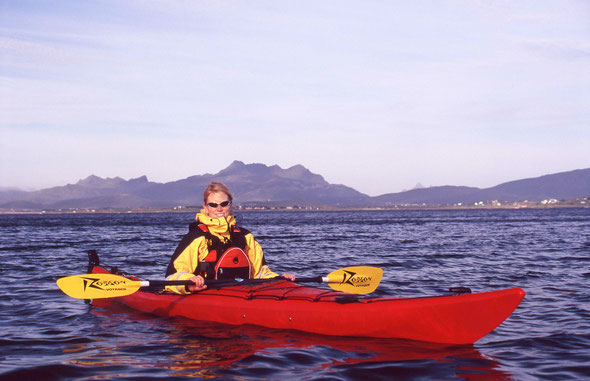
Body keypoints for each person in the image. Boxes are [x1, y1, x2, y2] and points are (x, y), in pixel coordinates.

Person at [165, 182, 295, 293]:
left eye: (224, 203)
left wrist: (279, 279)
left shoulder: (246, 236)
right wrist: (189, 282)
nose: (219, 209)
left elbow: (260, 273)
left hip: (242, 293)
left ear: (231, 204)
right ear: (205, 207)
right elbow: (172, 277)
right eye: (213, 205)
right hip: (206, 294)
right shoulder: (196, 237)